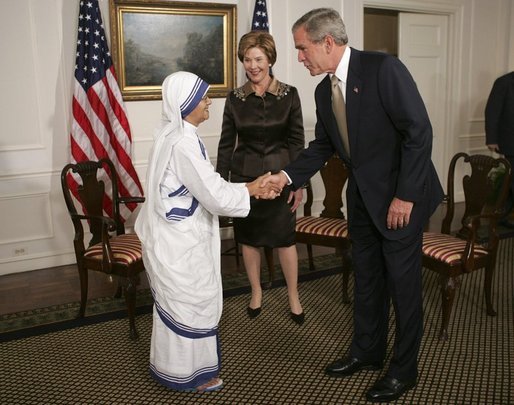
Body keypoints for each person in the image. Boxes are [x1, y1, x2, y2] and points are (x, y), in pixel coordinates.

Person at [263, 8, 444, 403]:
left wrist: (406, 195)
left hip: (401, 201)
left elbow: (419, 132)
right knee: (368, 280)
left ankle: (404, 370)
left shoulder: (383, 69)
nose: (299, 57)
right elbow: (324, 147)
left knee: (403, 286)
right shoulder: (322, 90)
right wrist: (287, 177)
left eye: (302, 48)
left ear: (327, 42)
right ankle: (367, 352)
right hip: (362, 201)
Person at [135, 71, 279, 393]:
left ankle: (170, 369)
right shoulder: (183, 142)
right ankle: (193, 377)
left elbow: (205, 186)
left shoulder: (171, 134)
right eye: (203, 98)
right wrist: (251, 190)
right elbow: (212, 193)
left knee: (177, 304)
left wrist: (247, 188)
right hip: (180, 241)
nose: (209, 102)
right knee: (190, 303)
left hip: (174, 235)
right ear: (186, 104)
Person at [216, 31, 306, 324]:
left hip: (281, 180)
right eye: (246, 59)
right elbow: (226, 144)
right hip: (245, 181)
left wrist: (298, 183)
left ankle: (293, 295)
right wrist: (222, 186)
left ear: (270, 60)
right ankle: (256, 292)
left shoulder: (290, 94)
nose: (252, 65)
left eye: (258, 58)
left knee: (285, 239)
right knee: (250, 240)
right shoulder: (235, 98)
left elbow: (296, 142)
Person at [485, 71, 514, 228]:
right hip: (510, 141)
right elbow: (492, 110)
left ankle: (500, 216)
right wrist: (492, 139)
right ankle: (499, 216)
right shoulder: (504, 82)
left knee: (510, 181)